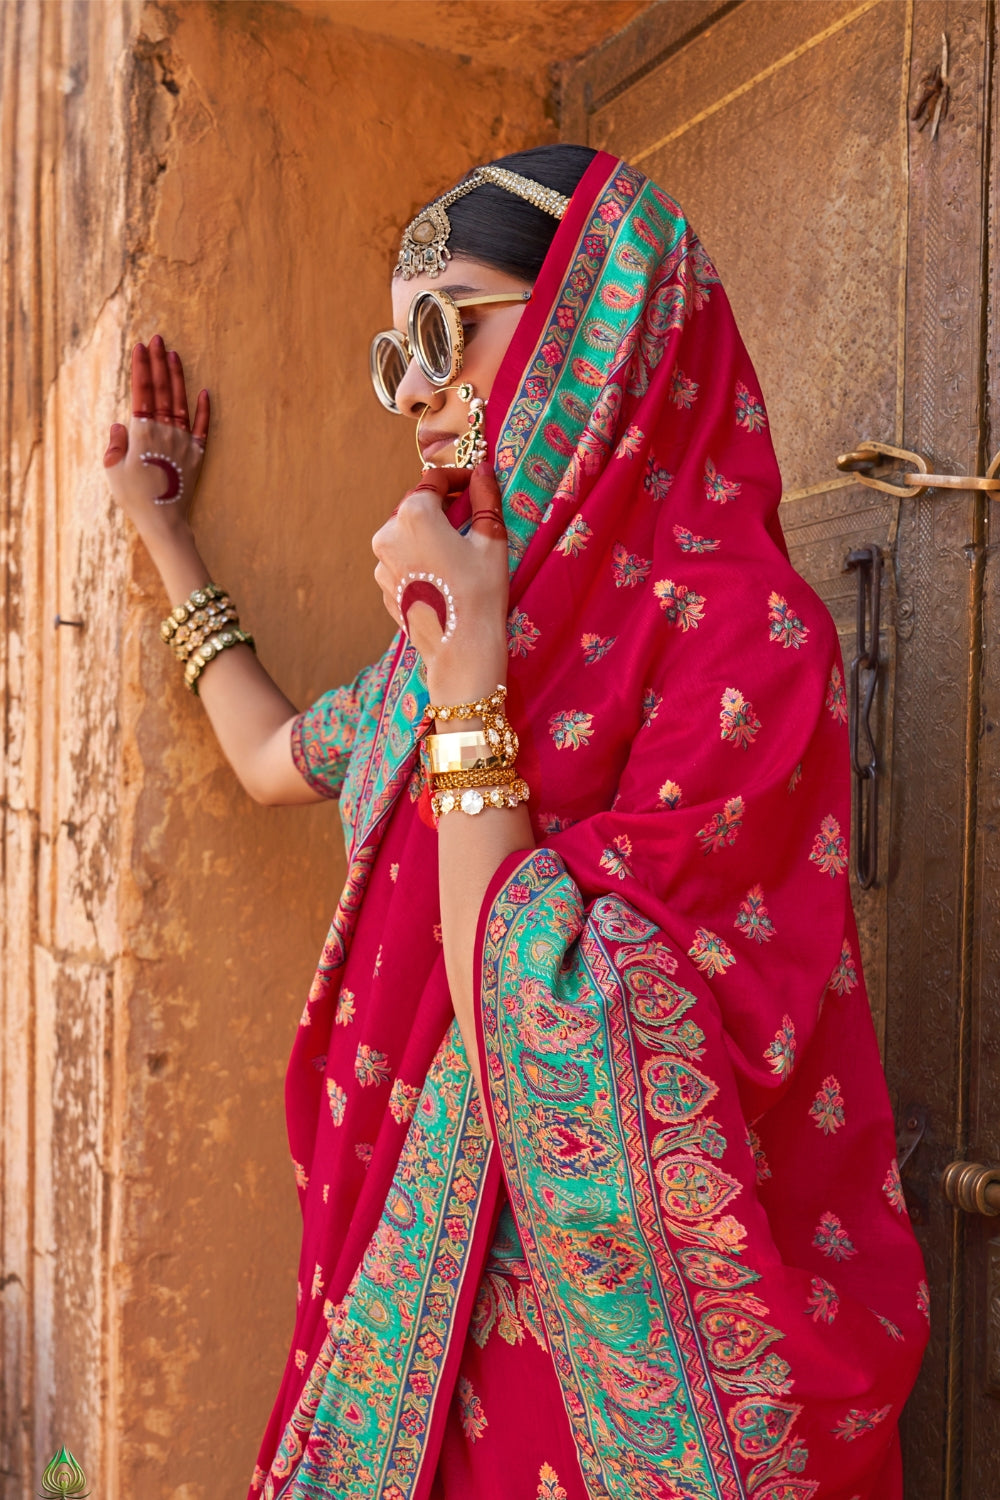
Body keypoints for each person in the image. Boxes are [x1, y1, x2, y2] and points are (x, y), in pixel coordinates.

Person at [104, 145, 929, 1500]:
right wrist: (161, 529)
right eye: (395, 354)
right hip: (395, 1345)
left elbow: (554, 1046)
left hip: (596, 1388)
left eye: (449, 330)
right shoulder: (464, 633)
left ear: (591, 328)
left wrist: (473, 684)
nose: (417, 387)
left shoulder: (747, 640)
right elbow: (266, 754)